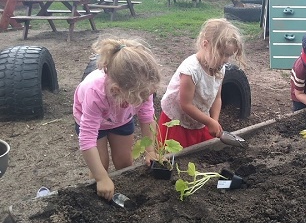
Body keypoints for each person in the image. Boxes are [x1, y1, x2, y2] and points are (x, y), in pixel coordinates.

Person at [73, 38, 161, 201]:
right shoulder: (95, 92)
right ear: (116, 90)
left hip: (121, 119)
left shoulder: (143, 87)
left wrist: (150, 150)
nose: (144, 99)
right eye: (138, 99)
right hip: (94, 124)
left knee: (125, 161)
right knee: (101, 165)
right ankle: (99, 197)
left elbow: (147, 117)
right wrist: (102, 178)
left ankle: (126, 195)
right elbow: (87, 139)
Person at [158, 18, 245, 148]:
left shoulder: (220, 68)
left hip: (199, 119)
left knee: (199, 155)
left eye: (229, 56)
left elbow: (217, 97)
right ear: (205, 44)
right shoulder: (191, 70)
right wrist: (209, 121)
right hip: (177, 121)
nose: (226, 60)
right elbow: (186, 105)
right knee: (177, 157)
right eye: (222, 54)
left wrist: (213, 120)